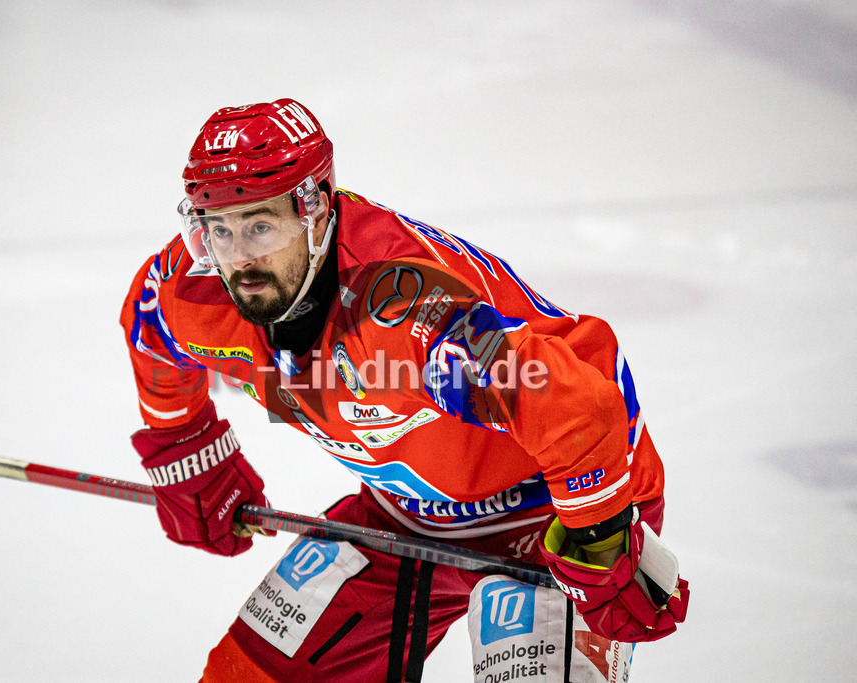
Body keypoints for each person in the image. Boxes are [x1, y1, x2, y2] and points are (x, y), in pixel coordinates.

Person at [120, 98, 689, 682]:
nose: (240, 259)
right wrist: (186, 448)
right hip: (405, 516)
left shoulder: (399, 310)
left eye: (262, 226)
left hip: (549, 506)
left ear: (314, 210)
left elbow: (571, 405)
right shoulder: (196, 288)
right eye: (219, 230)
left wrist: (598, 536)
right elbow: (149, 332)